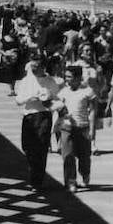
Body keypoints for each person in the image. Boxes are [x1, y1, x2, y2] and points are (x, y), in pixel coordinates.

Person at [14, 58, 61, 189]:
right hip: (28, 115)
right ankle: (34, 170)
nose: (34, 69)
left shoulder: (50, 81)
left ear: (43, 67)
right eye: (32, 66)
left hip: (43, 116)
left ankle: (37, 180)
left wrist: (48, 99)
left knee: (41, 148)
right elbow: (18, 100)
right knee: (27, 147)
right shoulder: (26, 81)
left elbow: (58, 100)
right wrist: (30, 97)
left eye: (37, 66)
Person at [55, 65, 98, 192]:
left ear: (78, 78)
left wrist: (92, 129)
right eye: (66, 76)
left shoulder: (88, 91)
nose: (66, 79)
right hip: (67, 127)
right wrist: (61, 112)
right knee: (68, 155)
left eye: (69, 77)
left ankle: (85, 174)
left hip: (83, 127)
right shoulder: (63, 91)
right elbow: (57, 106)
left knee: (84, 156)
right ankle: (70, 181)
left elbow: (93, 111)